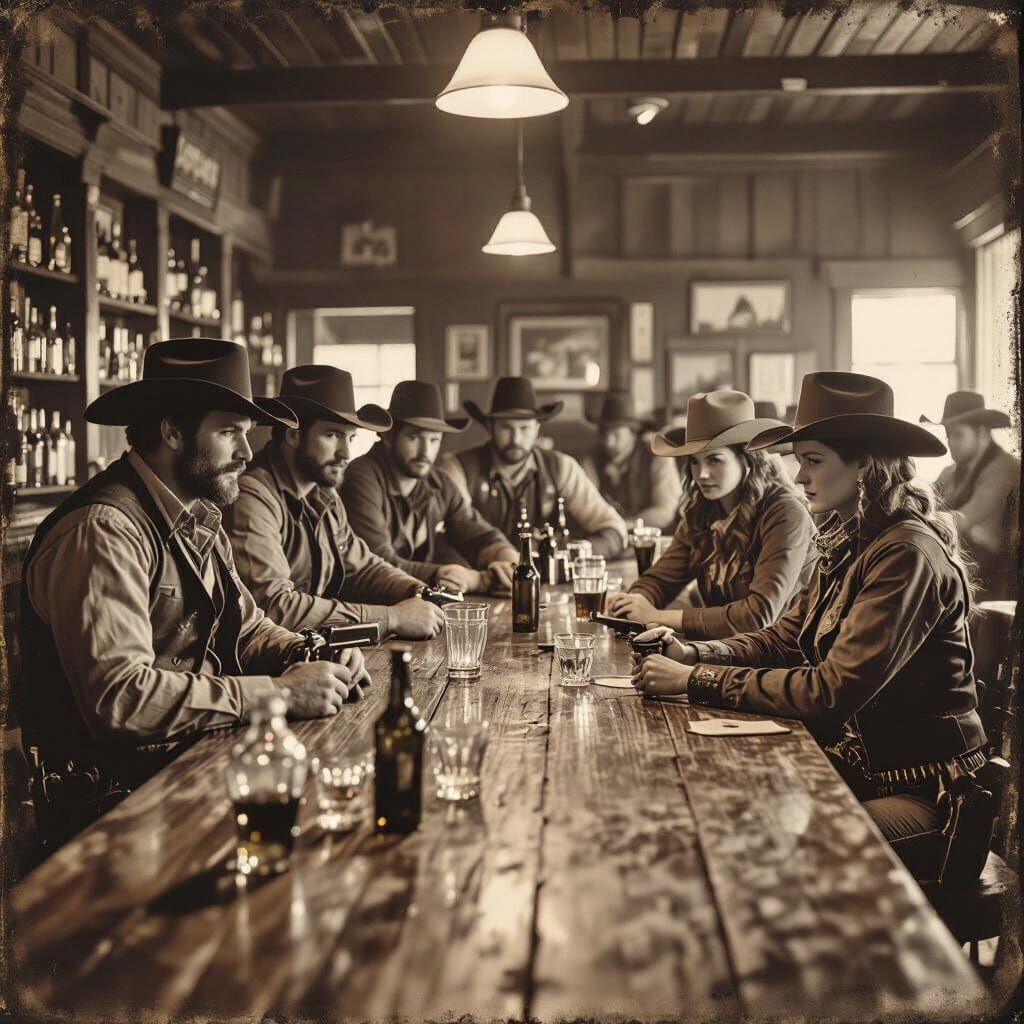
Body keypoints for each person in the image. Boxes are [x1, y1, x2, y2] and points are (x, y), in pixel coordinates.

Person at [632, 372, 988, 881]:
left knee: (766, 847)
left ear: (865, 463)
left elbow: (829, 691)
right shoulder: (851, 537)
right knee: (710, 806)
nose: (799, 478)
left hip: (927, 798)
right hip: (859, 767)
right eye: (800, 461)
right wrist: (696, 653)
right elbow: (782, 637)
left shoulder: (905, 554)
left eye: (813, 461)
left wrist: (695, 680)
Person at [19, 340, 365, 848]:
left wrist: (310, 653)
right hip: (112, 816)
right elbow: (121, 698)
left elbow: (247, 627)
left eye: (246, 435)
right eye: (229, 433)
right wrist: (283, 693)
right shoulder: (103, 529)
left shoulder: (198, 513)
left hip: (187, 768)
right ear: (172, 432)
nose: (248, 453)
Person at [224, 365, 444, 640]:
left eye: (351, 437)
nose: (346, 453)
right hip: (259, 664)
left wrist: (418, 592)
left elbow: (362, 567)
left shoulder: (323, 493)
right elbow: (275, 606)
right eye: (332, 435)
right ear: (293, 435)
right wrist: (393, 618)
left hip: (308, 651)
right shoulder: (252, 494)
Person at [607, 390, 815, 640]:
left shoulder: (785, 513)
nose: (702, 474)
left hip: (787, 657)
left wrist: (656, 616)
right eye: (694, 462)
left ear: (747, 460)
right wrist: (634, 601)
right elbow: (661, 578)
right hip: (726, 650)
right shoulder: (702, 510)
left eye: (715, 460)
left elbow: (757, 616)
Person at [341, 380, 518, 592]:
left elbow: (477, 533)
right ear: (388, 436)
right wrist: (471, 579)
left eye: (434, 440)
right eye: (414, 437)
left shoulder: (439, 482)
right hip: (366, 604)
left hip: (417, 604)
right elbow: (377, 561)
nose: (426, 451)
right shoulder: (361, 476)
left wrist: (507, 560)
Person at [437, 376, 628, 558]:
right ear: (490, 427)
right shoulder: (458, 468)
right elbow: (450, 532)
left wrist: (575, 554)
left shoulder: (561, 467)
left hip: (545, 585)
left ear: (537, 428)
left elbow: (614, 528)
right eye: (506, 428)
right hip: (478, 581)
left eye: (524, 428)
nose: (516, 439)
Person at [921, 390, 1019, 599]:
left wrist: (915, 523)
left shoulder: (1007, 469)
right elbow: (925, 504)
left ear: (982, 433)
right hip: (963, 571)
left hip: (996, 584)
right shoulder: (950, 473)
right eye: (948, 435)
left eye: (958, 434)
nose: (950, 443)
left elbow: (964, 518)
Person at [580, 391, 681, 532]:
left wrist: (630, 524)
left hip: (652, 540)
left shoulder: (657, 456)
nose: (608, 442)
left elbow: (666, 510)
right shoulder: (592, 460)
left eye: (616, 434)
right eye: (604, 433)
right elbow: (585, 505)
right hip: (606, 537)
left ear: (632, 432)